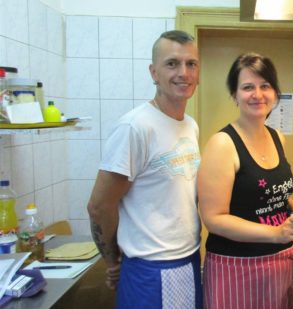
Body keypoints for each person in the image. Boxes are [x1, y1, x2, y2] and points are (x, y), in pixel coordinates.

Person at [87, 30, 202, 309]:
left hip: (188, 261)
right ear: (154, 72)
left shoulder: (190, 125)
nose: (183, 73)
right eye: (172, 63)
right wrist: (112, 259)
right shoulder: (135, 127)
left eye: (191, 64)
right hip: (148, 271)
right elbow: (99, 205)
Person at [198, 52, 293, 309]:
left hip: (281, 263)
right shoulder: (223, 144)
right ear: (235, 95)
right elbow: (214, 218)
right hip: (236, 268)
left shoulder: (277, 137)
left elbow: (274, 195)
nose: (258, 94)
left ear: (275, 93)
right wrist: (276, 233)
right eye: (248, 87)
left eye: (265, 86)